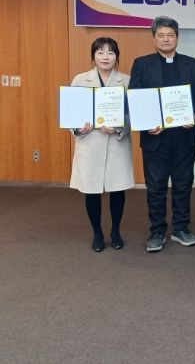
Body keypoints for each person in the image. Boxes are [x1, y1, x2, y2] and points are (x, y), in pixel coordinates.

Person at [129, 16, 195, 252]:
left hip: (184, 138)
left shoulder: (193, 64)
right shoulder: (142, 64)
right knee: (156, 187)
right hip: (155, 139)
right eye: (161, 35)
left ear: (177, 38)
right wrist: (147, 123)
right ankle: (157, 231)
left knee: (183, 185)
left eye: (170, 35)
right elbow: (136, 99)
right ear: (154, 38)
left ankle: (181, 228)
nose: (166, 39)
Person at [70, 38, 134, 252]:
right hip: (90, 143)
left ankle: (115, 231)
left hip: (117, 143)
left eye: (110, 53)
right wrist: (78, 129)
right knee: (91, 190)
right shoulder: (80, 80)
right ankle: (97, 233)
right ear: (93, 56)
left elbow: (133, 115)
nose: (105, 57)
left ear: (117, 57)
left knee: (117, 189)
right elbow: (71, 112)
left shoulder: (126, 80)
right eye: (100, 52)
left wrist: (118, 128)